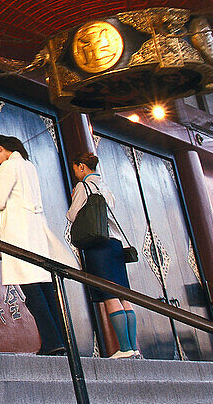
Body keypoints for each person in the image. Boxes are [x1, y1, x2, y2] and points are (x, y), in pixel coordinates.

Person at [0, 134, 78, 356]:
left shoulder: (9, 167)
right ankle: (60, 340)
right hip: (36, 234)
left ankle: (52, 342)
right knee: (46, 289)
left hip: (19, 235)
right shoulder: (29, 166)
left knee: (32, 292)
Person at [67, 151, 140, 359]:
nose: (76, 173)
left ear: (82, 166)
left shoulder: (84, 186)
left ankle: (124, 349)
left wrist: (74, 199)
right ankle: (132, 346)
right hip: (115, 245)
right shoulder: (106, 187)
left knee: (109, 295)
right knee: (124, 296)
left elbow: (73, 215)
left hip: (97, 246)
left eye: (75, 169)